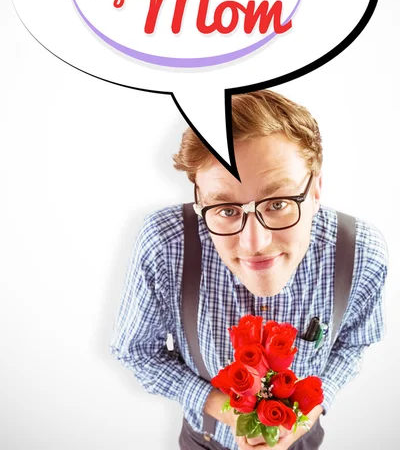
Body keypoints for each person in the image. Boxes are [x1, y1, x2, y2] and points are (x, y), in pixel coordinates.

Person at [110, 89, 387, 449]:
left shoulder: (361, 252)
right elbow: (137, 350)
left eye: (278, 203)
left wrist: (306, 418)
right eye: (225, 209)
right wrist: (225, 410)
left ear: (316, 190)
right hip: (206, 439)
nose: (254, 243)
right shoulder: (164, 245)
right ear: (199, 200)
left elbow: (354, 343)